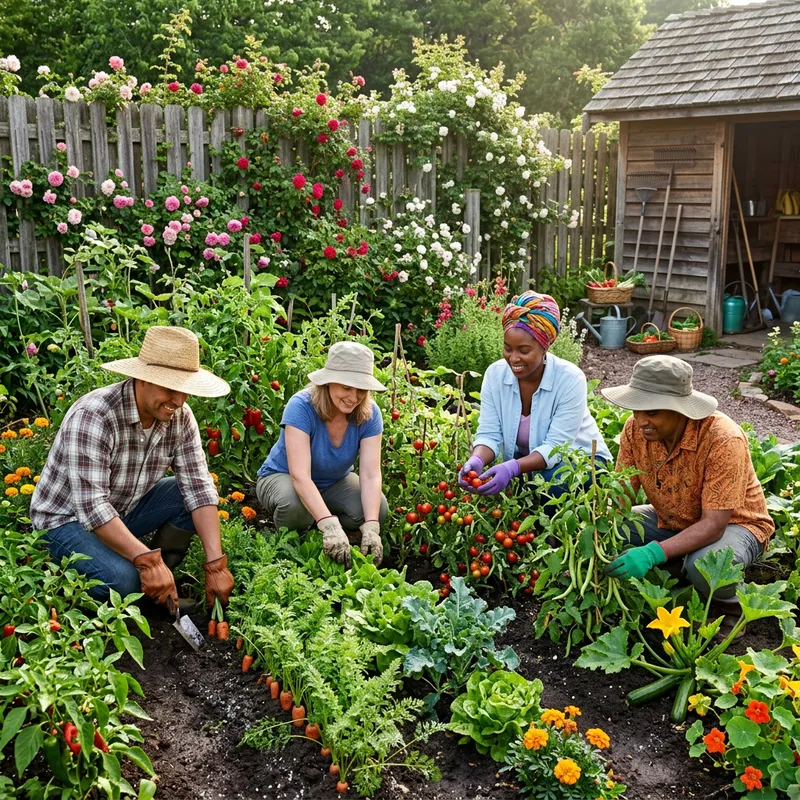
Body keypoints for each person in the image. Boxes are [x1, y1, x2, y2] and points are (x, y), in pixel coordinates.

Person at [30, 326, 235, 612]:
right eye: (169, 388)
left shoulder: (180, 418)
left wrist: (215, 565)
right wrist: (145, 560)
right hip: (65, 521)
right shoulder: (95, 415)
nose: (178, 401)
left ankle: (162, 584)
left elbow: (199, 487)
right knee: (124, 582)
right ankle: (139, 580)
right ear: (142, 379)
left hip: (122, 512)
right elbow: (92, 508)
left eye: (185, 391)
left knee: (185, 495)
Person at [602, 355, 773, 632]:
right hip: (673, 520)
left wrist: (651, 553)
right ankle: (680, 564)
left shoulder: (722, 438)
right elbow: (621, 495)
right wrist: (599, 522)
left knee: (706, 566)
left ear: (680, 409)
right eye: (636, 409)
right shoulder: (635, 430)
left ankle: (729, 610)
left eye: (652, 412)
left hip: (737, 525)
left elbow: (713, 525)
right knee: (614, 530)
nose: (641, 420)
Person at [458, 291, 612, 497]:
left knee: (550, 485)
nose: (513, 358)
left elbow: (557, 447)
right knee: (522, 486)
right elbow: (489, 433)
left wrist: (512, 468)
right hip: (530, 460)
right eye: (507, 348)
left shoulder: (569, 379)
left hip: (581, 461)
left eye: (523, 350)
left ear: (544, 347)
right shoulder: (495, 375)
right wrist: (477, 460)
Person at [256, 341, 388, 567]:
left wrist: (372, 527)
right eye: (346, 387)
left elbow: (370, 475)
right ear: (328, 382)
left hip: (334, 482)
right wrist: (329, 524)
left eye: (361, 389)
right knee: (295, 507)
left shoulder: (369, 413)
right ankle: (292, 546)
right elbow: (300, 476)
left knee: (377, 509)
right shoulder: (301, 406)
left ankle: (330, 531)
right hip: (282, 476)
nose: (353, 397)